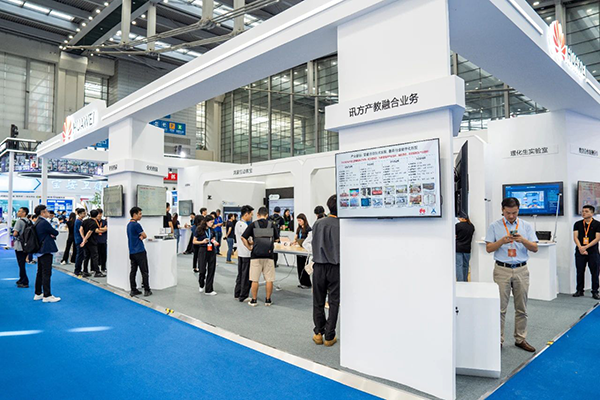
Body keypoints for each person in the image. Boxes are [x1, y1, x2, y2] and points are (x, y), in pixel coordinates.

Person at [485, 197, 538, 352]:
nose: (511, 216)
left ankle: (520, 339)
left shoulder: (526, 226)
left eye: (514, 213)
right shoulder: (494, 226)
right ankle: (498, 340)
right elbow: (489, 248)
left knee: (522, 307)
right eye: (508, 213)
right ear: (502, 210)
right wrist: (502, 241)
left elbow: (534, 248)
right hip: (502, 269)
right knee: (500, 308)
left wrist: (522, 240)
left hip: (521, 269)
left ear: (518, 210)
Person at [306, 195, 340, 347]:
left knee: (318, 301)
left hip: (318, 266)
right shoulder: (342, 225)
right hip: (335, 267)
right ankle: (330, 335)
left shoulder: (318, 223)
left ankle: (318, 333)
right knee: (333, 302)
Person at [242, 206, 280, 306]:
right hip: (269, 256)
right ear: (267, 215)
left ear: (258, 215)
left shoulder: (253, 225)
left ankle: (254, 300)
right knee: (269, 279)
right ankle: (268, 300)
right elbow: (277, 239)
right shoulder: (272, 225)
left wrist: (249, 247)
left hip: (256, 255)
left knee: (255, 280)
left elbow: (243, 237)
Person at [33, 204, 61, 303]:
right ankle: (47, 295)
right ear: (42, 212)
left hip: (40, 250)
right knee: (46, 272)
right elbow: (55, 232)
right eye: (47, 211)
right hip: (45, 250)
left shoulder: (37, 222)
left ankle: (38, 293)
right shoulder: (44, 222)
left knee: (40, 272)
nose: (48, 213)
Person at [572, 205, 600, 299]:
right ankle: (580, 290)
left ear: (592, 213)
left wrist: (586, 247)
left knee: (595, 272)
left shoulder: (597, 224)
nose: (584, 213)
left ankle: (595, 291)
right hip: (580, 251)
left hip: (593, 252)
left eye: (586, 211)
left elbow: (597, 238)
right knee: (580, 271)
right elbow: (575, 237)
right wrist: (580, 247)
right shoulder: (577, 224)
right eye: (583, 211)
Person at [127, 207, 151, 297]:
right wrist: (142, 237)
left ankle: (133, 289)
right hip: (139, 251)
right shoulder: (136, 225)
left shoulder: (129, 225)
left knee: (133, 271)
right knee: (144, 271)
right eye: (140, 214)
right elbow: (144, 235)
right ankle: (147, 289)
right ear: (135, 214)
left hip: (132, 251)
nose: (141, 216)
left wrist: (141, 236)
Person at [194, 215, 218, 295]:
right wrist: (202, 242)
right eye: (211, 222)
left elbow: (213, 238)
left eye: (213, 222)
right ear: (206, 222)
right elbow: (194, 241)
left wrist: (214, 241)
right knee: (202, 270)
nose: (212, 224)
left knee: (211, 269)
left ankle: (209, 289)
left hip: (211, 250)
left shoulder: (212, 230)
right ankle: (201, 283)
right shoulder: (199, 229)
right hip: (203, 250)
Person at [234, 206, 254, 302]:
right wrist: (250, 247)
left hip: (241, 253)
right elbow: (244, 239)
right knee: (246, 276)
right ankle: (243, 295)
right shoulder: (244, 225)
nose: (251, 216)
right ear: (246, 214)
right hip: (246, 253)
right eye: (251, 214)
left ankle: (237, 293)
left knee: (241, 274)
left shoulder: (238, 223)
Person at [81, 209, 105, 278]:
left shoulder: (85, 221)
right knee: (95, 257)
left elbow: (81, 229)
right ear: (97, 215)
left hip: (87, 242)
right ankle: (97, 272)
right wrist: (84, 240)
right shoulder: (94, 223)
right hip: (92, 242)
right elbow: (90, 232)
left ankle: (85, 271)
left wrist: (83, 238)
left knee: (86, 257)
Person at [294, 213, 312, 289]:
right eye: (298, 221)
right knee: (299, 266)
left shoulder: (308, 229)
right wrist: (294, 242)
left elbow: (309, 239)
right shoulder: (299, 229)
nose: (299, 222)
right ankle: (301, 282)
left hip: (305, 250)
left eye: (300, 220)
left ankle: (307, 283)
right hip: (299, 248)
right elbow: (296, 237)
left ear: (304, 220)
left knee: (304, 266)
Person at [12, 207, 30, 288]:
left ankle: (24, 281)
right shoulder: (29, 221)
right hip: (27, 245)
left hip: (19, 245)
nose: (18, 212)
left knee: (21, 264)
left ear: (24, 213)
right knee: (22, 263)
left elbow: (15, 233)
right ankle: (21, 278)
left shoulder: (19, 221)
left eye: (19, 211)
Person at [455, 212, 475, 282]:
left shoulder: (458, 225)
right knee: (466, 265)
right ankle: (465, 281)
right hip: (467, 248)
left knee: (459, 265)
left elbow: (454, 235)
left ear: (462, 218)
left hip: (458, 248)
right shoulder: (471, 226)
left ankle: (460, 281)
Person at [73, 208, 90, 277]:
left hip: (79, 239)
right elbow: (81, 231)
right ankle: (77, 270)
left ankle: (78, 270)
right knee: (80, 255)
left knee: (81, 255)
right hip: (79, 240)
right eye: (83, 213)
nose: (85, 214)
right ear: (79, 214)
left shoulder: (80, 221)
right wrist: (84, 239)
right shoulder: (78, 222)